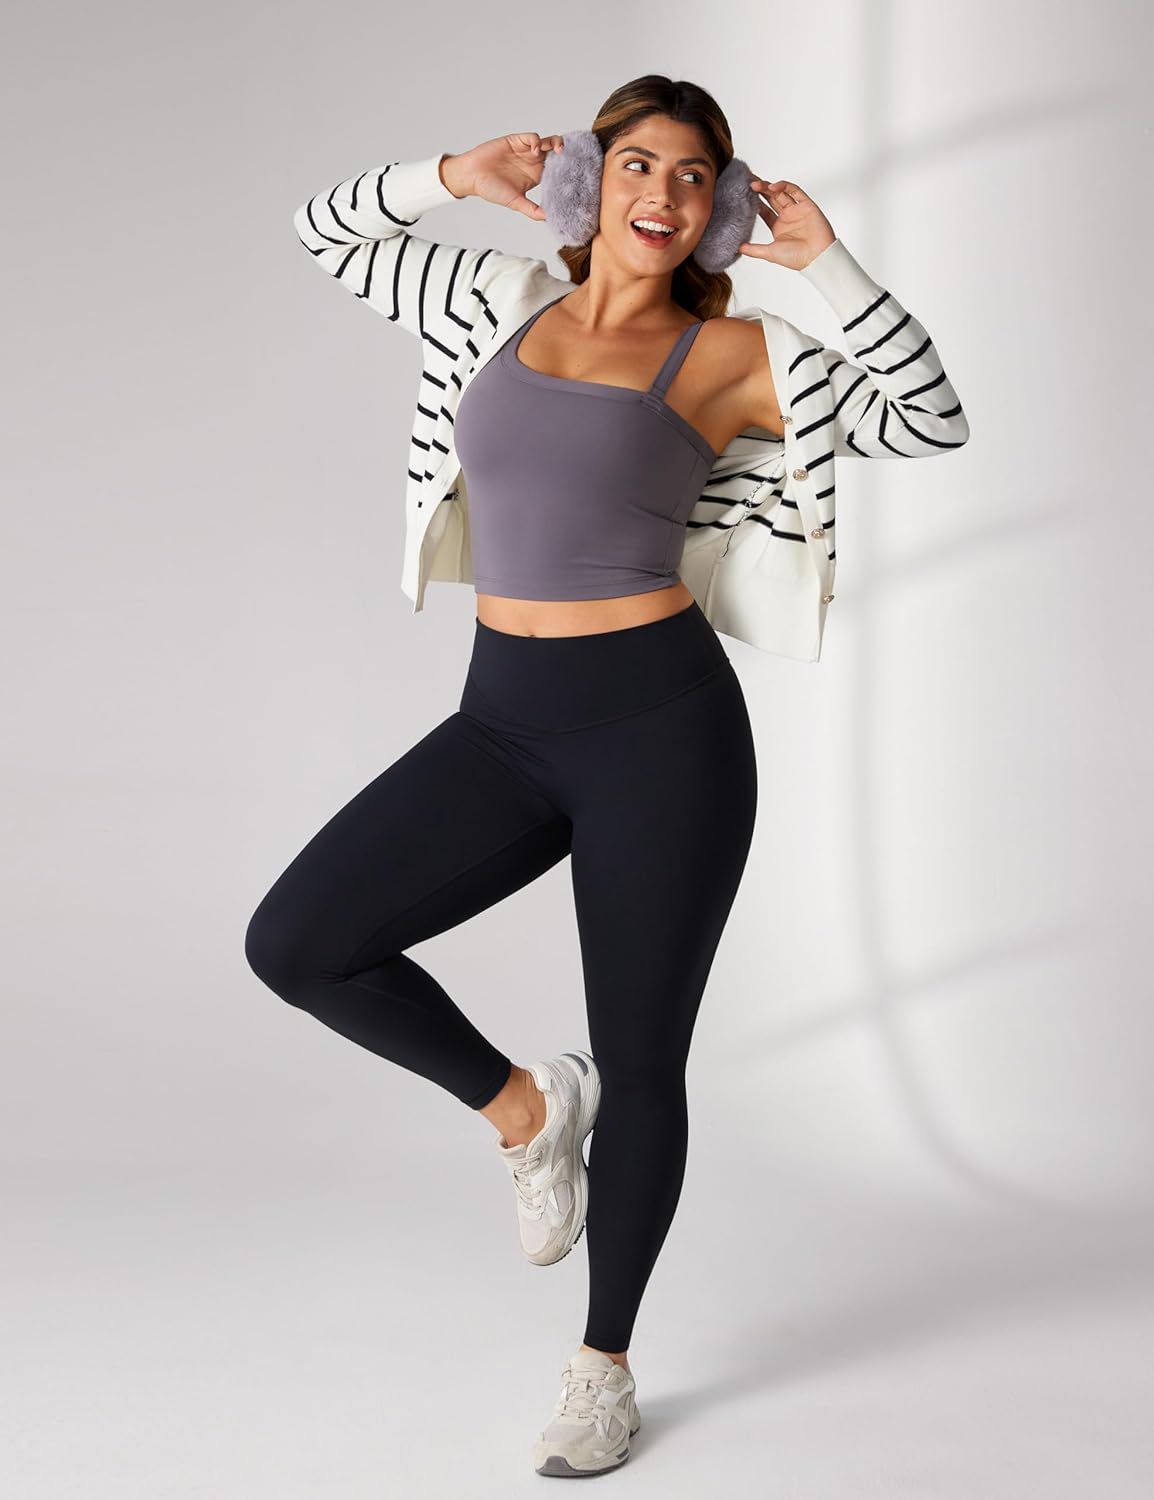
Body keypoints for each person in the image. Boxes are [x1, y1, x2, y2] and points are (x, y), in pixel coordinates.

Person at [246, 76, 863, 1477]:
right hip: (502, 722)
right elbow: (324, 232)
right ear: (591, 180)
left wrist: (825, 260)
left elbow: (926, 417)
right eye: (637, 163)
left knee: (643, 1057)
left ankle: (603, 1370)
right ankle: (526, 1110)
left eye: (695, 175)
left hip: (662, 731)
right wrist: (452, 174)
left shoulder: (736, 354)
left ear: (722, 207)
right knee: (299, 942)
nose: (663, 193)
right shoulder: (497, 300)